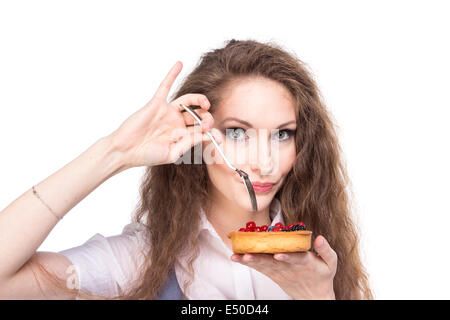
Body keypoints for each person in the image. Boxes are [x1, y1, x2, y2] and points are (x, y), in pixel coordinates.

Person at [0, 39, 373, 300]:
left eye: (282, 134)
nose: (264, 162)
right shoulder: (145, 258)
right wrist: (115, 152)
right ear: (200, 136)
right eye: (237, 133)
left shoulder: (321, 258)